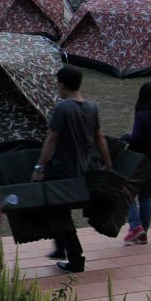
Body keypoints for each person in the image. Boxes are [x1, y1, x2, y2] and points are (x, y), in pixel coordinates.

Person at [32, 65, 111, 273]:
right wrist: (109, 165)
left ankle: (75, 258)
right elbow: (100, 137)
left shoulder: (63, 108)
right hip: (83, 171)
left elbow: (51, 138)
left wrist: (39, 167)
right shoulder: (92, 107)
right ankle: (60, 248)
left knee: (58, 211)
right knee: (59, 209)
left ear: (62, 84)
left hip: (62, 171)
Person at [121, 82, 151, 246]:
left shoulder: (142, 115)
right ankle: (143, 233)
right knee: (146, 197)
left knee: (126, 194)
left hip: (143, 164)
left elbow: (137, 140)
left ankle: (135, 227)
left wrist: (127, 137)